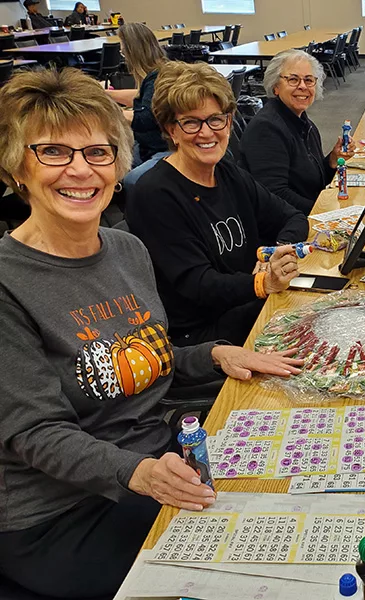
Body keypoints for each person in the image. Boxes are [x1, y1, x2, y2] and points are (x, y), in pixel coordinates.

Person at [0, 67, 305, 598]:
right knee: (240, 578)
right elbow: (35, 433)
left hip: (155, 455)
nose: (80, 170)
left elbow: (143, 356)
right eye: (53, 152)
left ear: (117, 164)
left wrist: (214, 354)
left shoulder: (125, 250)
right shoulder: (9, 282)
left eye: (97, 152)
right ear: (16, 166)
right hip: (60, 511)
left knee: (296, 502)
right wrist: (137, 472)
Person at [127, 61, 310, 347]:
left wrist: (274, 257)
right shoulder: (154, 194)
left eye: (216, 119)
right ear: (170, 129)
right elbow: (197, 284)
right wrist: (262, 283)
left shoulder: (227, 172)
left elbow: (293, 218)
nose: (207, 133)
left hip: (246, 305)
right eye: (190, 122)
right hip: (204, 334)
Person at [240, 49, 355, 216]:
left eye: (309, 80)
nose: (302, 86)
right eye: (293, 79)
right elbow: (275, 195)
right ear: (276, 87)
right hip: (283, 226)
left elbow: (310, 181)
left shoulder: (302, 121)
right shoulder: (267, 128)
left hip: (303, 213)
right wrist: (323, 211)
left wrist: (332, 161)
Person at [107, 22, 169, 166]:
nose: (124, 58)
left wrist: (106, 110)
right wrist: (105, 94)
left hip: (158, 149)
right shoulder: (161, 69)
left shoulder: (157, 77)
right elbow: (141, 96)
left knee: (119, 170)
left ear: (133, 53)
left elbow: (144, 118)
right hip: (151, 145)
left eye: (124, 53)